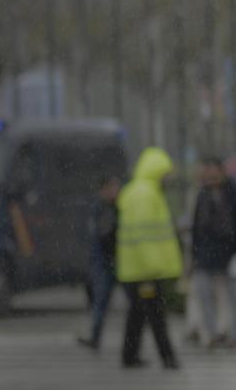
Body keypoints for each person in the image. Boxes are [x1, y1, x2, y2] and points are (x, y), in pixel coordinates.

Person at [116, 147, 183, 369]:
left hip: (138, 268)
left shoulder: (141, 191)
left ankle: (129, 355)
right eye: (166, 173)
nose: (168, 179)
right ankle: (168, 357)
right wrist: (154, 266)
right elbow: (143, 235)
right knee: (155, 315)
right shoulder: (145, 194)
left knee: (137, 314)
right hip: (145, 270)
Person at [188, 157, 236, 347]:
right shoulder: (203, 194)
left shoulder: (231, 192)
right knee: (204, 294)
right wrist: (194, 254)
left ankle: (232, 335)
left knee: (232, 296)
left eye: (214, 172)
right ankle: (212, 334)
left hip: (230, 252)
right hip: (206, 253)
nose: (211, 177)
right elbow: (196, 226)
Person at [78, 174, 122, 350]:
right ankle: (95, 338)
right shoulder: (103, 208)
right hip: (105, 262)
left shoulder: (111, 207)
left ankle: (96, 338)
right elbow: (104, 236)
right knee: (100, 301)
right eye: (112, 187)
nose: (116, 191)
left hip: (113, 261)